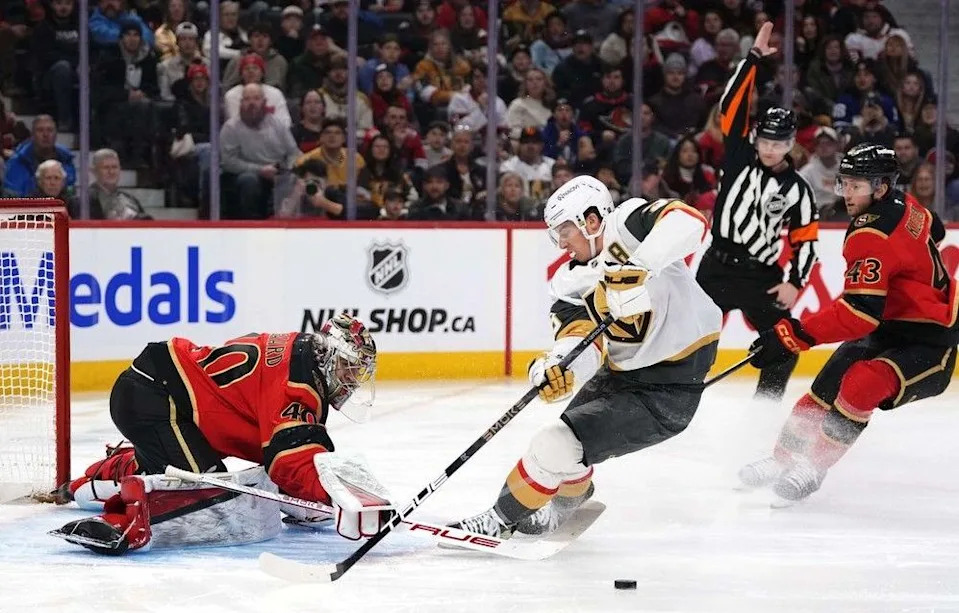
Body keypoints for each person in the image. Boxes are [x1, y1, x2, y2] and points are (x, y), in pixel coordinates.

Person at [449, 174, 721, 538]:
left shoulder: (629, 225)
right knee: (560, 442)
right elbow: (578, 340)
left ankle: (499, 522)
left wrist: (639, 267)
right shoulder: (568, 282)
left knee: (554, 447)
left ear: (591, 221)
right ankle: (568, 501)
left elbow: (690, 222)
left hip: (668, 390)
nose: (561, 242)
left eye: (565, 230)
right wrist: (556, 368)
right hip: (622, 374)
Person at [739, 143, 958, 504]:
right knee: (826, 386)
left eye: (857, 185)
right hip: (891, 326)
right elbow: (935, 230)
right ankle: (783, 461)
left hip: (932, 343)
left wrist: (790, 335)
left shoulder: (869, 234)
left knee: (861, 384)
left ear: (881, 187)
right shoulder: (906, 204)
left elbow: (859, 314)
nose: (847, 193)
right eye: (845, 183)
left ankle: (812, 467)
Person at [54, 314, 382, 554]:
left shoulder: (300, 351)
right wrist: (338, 497)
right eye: (349, 369)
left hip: (157, 393)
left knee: (187, 470)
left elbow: (283, 450)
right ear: (330, 357)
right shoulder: (300, 384)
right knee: (207, 494)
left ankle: (90, 484)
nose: (352, 381)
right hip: (157, 399)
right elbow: (288, 461)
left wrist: (317, 495)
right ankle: (122, 520)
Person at [695, 23, 819, 405]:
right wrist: (751, 60)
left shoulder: (798, 189)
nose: (770, 149)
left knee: (785, 346)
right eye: (765, 140)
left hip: (761, 276)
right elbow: (730, 103)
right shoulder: (738, 155)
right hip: (716, 267)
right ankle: (671, 398)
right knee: (686, 341)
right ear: (754, 137)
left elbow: (806, 241)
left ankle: (763, 415)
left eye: (778, 143)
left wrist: (795, 283)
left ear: (791, 143)